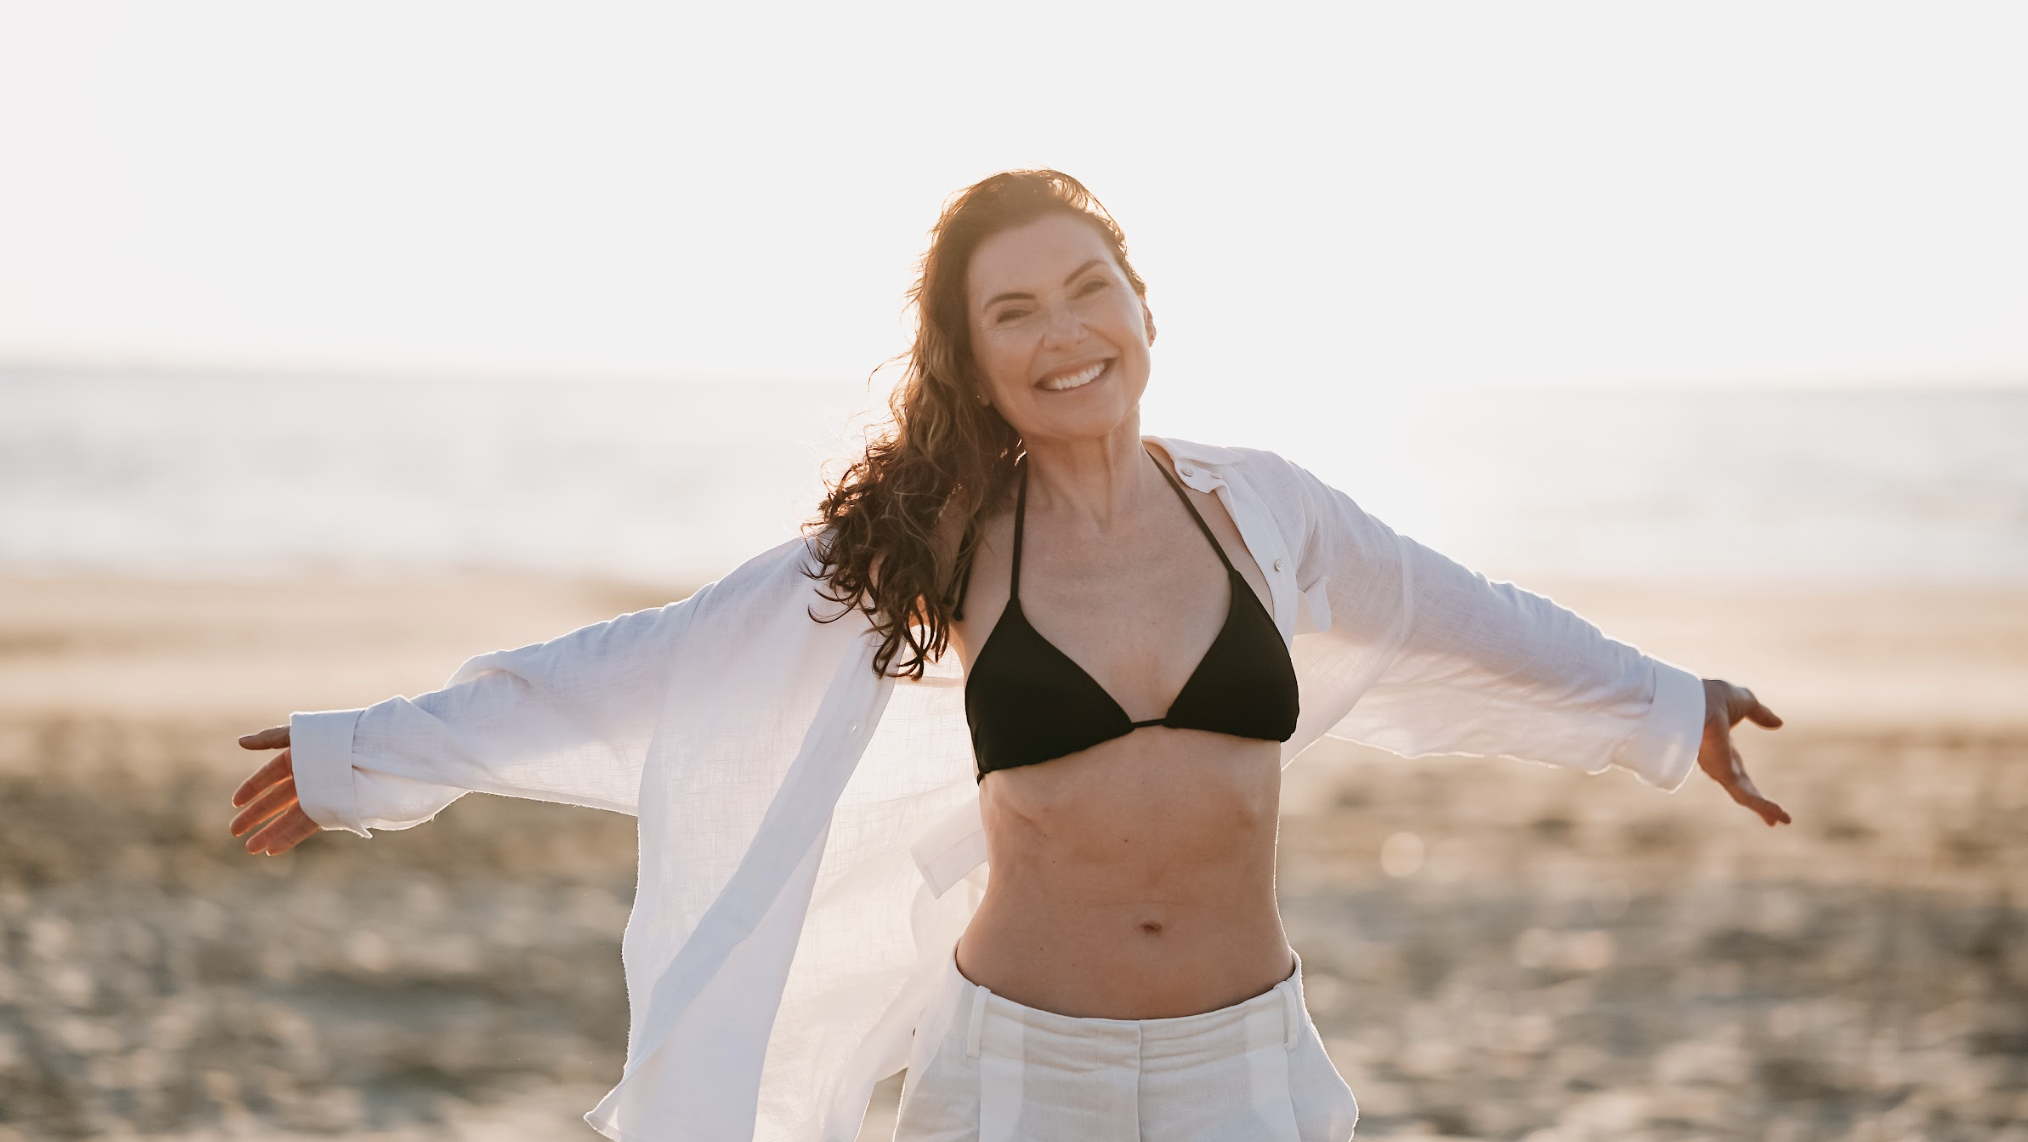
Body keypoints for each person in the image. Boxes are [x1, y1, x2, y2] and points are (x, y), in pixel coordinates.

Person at [227, 170, 1788, 1142]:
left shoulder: (1267, 512)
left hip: (1247, 1060)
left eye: (1091, 288)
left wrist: (1668, 705)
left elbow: (1471, 617)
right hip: (1022, 1070)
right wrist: (372, 751)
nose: (1066, 331)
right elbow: (664, 663)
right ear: (976, 362)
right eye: (1018, 312)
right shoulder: (942, 541)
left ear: (1144, 308)